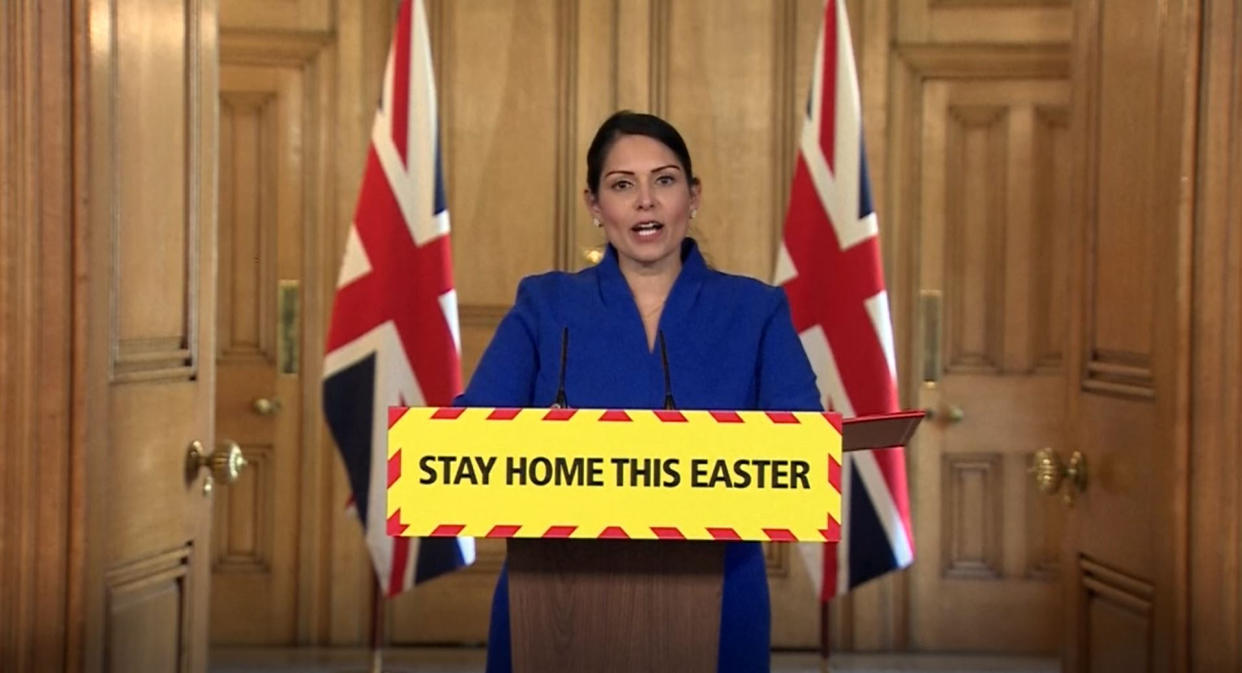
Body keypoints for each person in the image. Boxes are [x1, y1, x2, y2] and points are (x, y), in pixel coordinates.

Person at [453, 110, 822, 673]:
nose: (645, 201)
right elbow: (470, 436)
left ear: (692, 197)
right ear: (595, 207)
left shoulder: (756, 311)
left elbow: (802, 452)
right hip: (554, 600)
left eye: (665, 180)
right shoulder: (544, 306)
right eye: (622, 185)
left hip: (719, 595)